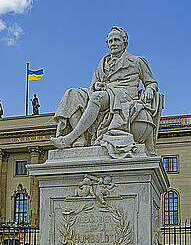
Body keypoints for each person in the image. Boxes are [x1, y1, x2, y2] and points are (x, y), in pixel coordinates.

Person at [50, 26, 161, 157]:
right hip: (105, 93)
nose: (113, 43)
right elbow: (92, 86)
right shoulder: (102, 63)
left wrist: (149, 89)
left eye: (116, 40)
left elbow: (151, 82)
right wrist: (97, 85)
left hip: (123, 95)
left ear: (124, 42)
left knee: (97, 97)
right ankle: (80, 138)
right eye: (110, 41)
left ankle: (69, 138)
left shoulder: (137, 61)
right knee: (72, 94)